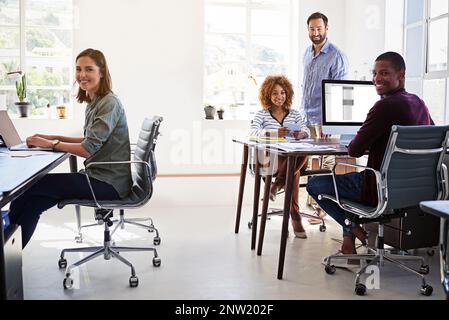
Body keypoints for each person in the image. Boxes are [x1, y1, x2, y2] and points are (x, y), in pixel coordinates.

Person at [306, 52, 434, 254]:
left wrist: (369, 140)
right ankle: (349, 239)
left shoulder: (383, 106)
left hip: (378, 190)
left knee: (315, 183)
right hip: (412, 191)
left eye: (384, 73)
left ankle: (352, 228)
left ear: (401, 74)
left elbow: (354, 151)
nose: (377, 79)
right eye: (374, 73)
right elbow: (428, 137)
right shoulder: (419, 103)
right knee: (347, 182)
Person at [9, 48, 132, 249]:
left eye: (89, 69)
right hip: (99, 177)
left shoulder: (108, 103)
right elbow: (89, 139)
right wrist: (52, 138)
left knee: (30, 188)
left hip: (108, 184)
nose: (82, 75)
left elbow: (87, 149)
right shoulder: (95, 101)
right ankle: (8, 258)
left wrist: (51, 145)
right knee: (34, 202)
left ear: (101, 72)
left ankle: (8, 258)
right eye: (78, 69)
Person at [301, 12, 349, 223]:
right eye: (312, 29)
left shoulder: (336, 55)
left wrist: (332, 120)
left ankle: (323, 210)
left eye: (319, 28)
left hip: (325, 118)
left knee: (326, 163)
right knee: (310, 161)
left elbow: (340, 91)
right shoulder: (306, 53)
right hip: (307, 114)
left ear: (326, 29)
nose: (315, 33)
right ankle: (313, 204)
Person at [250, 75, 310, 238]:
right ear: (268, 95)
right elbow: (253, 133)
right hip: (270, 161)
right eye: (275, 93)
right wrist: (274, 133)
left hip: (295, 157)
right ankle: (295, 215)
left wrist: (302, 133)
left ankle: (276, 185)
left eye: (283, 92)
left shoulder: (295, 114)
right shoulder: (261, 115)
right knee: (294, 172)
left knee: (299, 153)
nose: (280, 97)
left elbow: (307, 131)